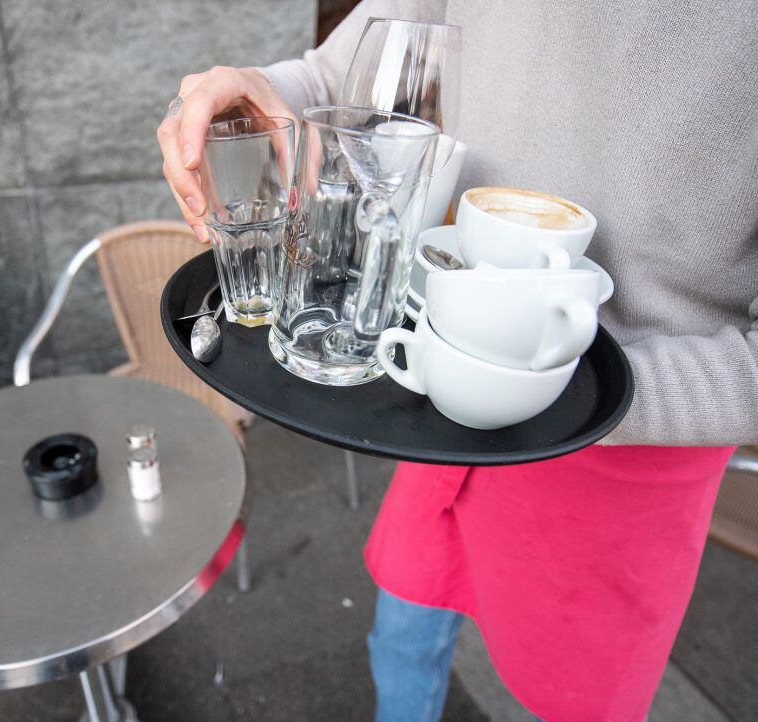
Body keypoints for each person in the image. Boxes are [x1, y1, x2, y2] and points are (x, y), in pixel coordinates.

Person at [157, 1, 758, 720]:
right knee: (402, 632)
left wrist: (548, 381)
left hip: (631, 436)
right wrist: (250, 85)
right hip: (437, 376)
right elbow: (331, 75)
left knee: (565, 700)